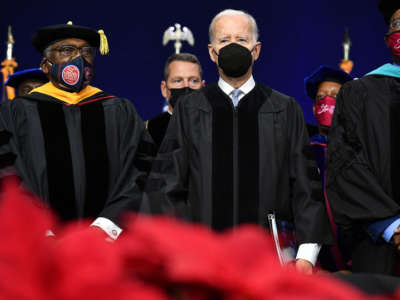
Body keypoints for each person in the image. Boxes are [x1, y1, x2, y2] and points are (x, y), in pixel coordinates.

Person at [144, 9, 333, 274]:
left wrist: (306, 256)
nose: (233, 47)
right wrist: (176, 249)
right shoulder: (190, 109)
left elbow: (305, 186)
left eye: (241, 40)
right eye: (224, 40)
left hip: (270, 257)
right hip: (201, 258)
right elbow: (167, 186)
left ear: (256, 50)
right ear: (212, 52)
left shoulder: (283, 109)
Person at [0, 22, 154, 240]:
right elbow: (6, 174)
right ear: (45, 65)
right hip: (37, 240)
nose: (79, 59)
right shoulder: (16, 113)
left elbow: (141, 170)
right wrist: (38, 227)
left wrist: (108, 225)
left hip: (108, 243)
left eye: (86, 52)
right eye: (67, 50)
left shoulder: (119, 111)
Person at [326, 0, 400, 275]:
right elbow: (343, 165)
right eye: (397, 24)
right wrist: (391, 225)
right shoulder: (360, 92)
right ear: (387, 39)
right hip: (378, 242)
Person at [304, 65, 353, 272]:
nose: (327, 101)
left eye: (335, 96)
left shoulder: (362, 150)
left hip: (361, 261)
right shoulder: (302, 151)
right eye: (321, 97)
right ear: (315, 108)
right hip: (316, 264)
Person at [146, 53, 204, 151]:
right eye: (178, 81)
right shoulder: (150, 130)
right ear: (164, 89)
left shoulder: (217, 127)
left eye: (193, 81)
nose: (186, 86)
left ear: (203, 87)